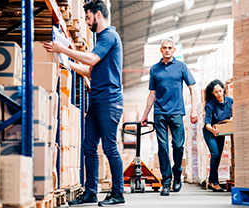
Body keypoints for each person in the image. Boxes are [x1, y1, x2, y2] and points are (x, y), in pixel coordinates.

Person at [43, 1, 125, 206]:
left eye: (87, 18)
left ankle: (118, 193)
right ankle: (90, 192)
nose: (86, 23)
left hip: (109, 100)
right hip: (97, 99)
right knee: (89, 146)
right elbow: (90, 71)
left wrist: (64, 48)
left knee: (109, 147)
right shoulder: (101, 39)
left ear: (98, 15)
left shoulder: (108, 36)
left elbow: (90, 60)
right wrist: (65, 60)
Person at [140, 38, 198, 196]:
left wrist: (194, 110)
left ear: (174, 50)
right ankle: (166, 181)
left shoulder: (181, 67)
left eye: (170, 48)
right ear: (160, 50)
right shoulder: (154, 69)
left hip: (177, 112)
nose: (167, 50)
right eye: (164, 47)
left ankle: (177, 172)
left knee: (178, 145)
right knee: (163, 148)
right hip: (159, 113)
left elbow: (192, 88)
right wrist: (145, 115)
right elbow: (152, 94)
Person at [203, 79, 233, 192]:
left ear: (223, 89)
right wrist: (213, 130)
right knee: (215, 154)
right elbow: (207, 124)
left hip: (221, 132)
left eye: (220, 91)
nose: (219, 94)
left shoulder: (230, 101)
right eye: (216, 92)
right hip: (210, 132)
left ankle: (211, 181)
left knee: (218, 156)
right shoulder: (210, 105)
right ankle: (215, 183)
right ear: (213, 93)